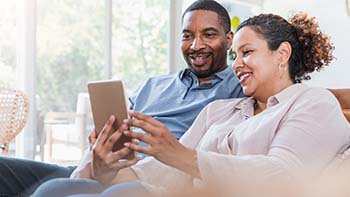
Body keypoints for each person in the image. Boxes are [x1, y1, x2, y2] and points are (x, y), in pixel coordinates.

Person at [33, 9, 350, 197]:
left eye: (247, 52)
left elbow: (282, 176)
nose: (236, 64)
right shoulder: (221, 111)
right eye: (234, 55)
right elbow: (160, 171)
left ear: (281, 53)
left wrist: (182, 156)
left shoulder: (313, 102)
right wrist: (105, 169)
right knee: (56, 189)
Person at [0, 0, 244, 196]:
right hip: (99, 167)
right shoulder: (153, 85)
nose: (195, 46)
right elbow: (112, 131)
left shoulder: (240, 88)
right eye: (187, 36)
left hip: (144, 179)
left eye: (209, 35)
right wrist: (89, 164)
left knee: (51, 190)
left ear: (229, 39)